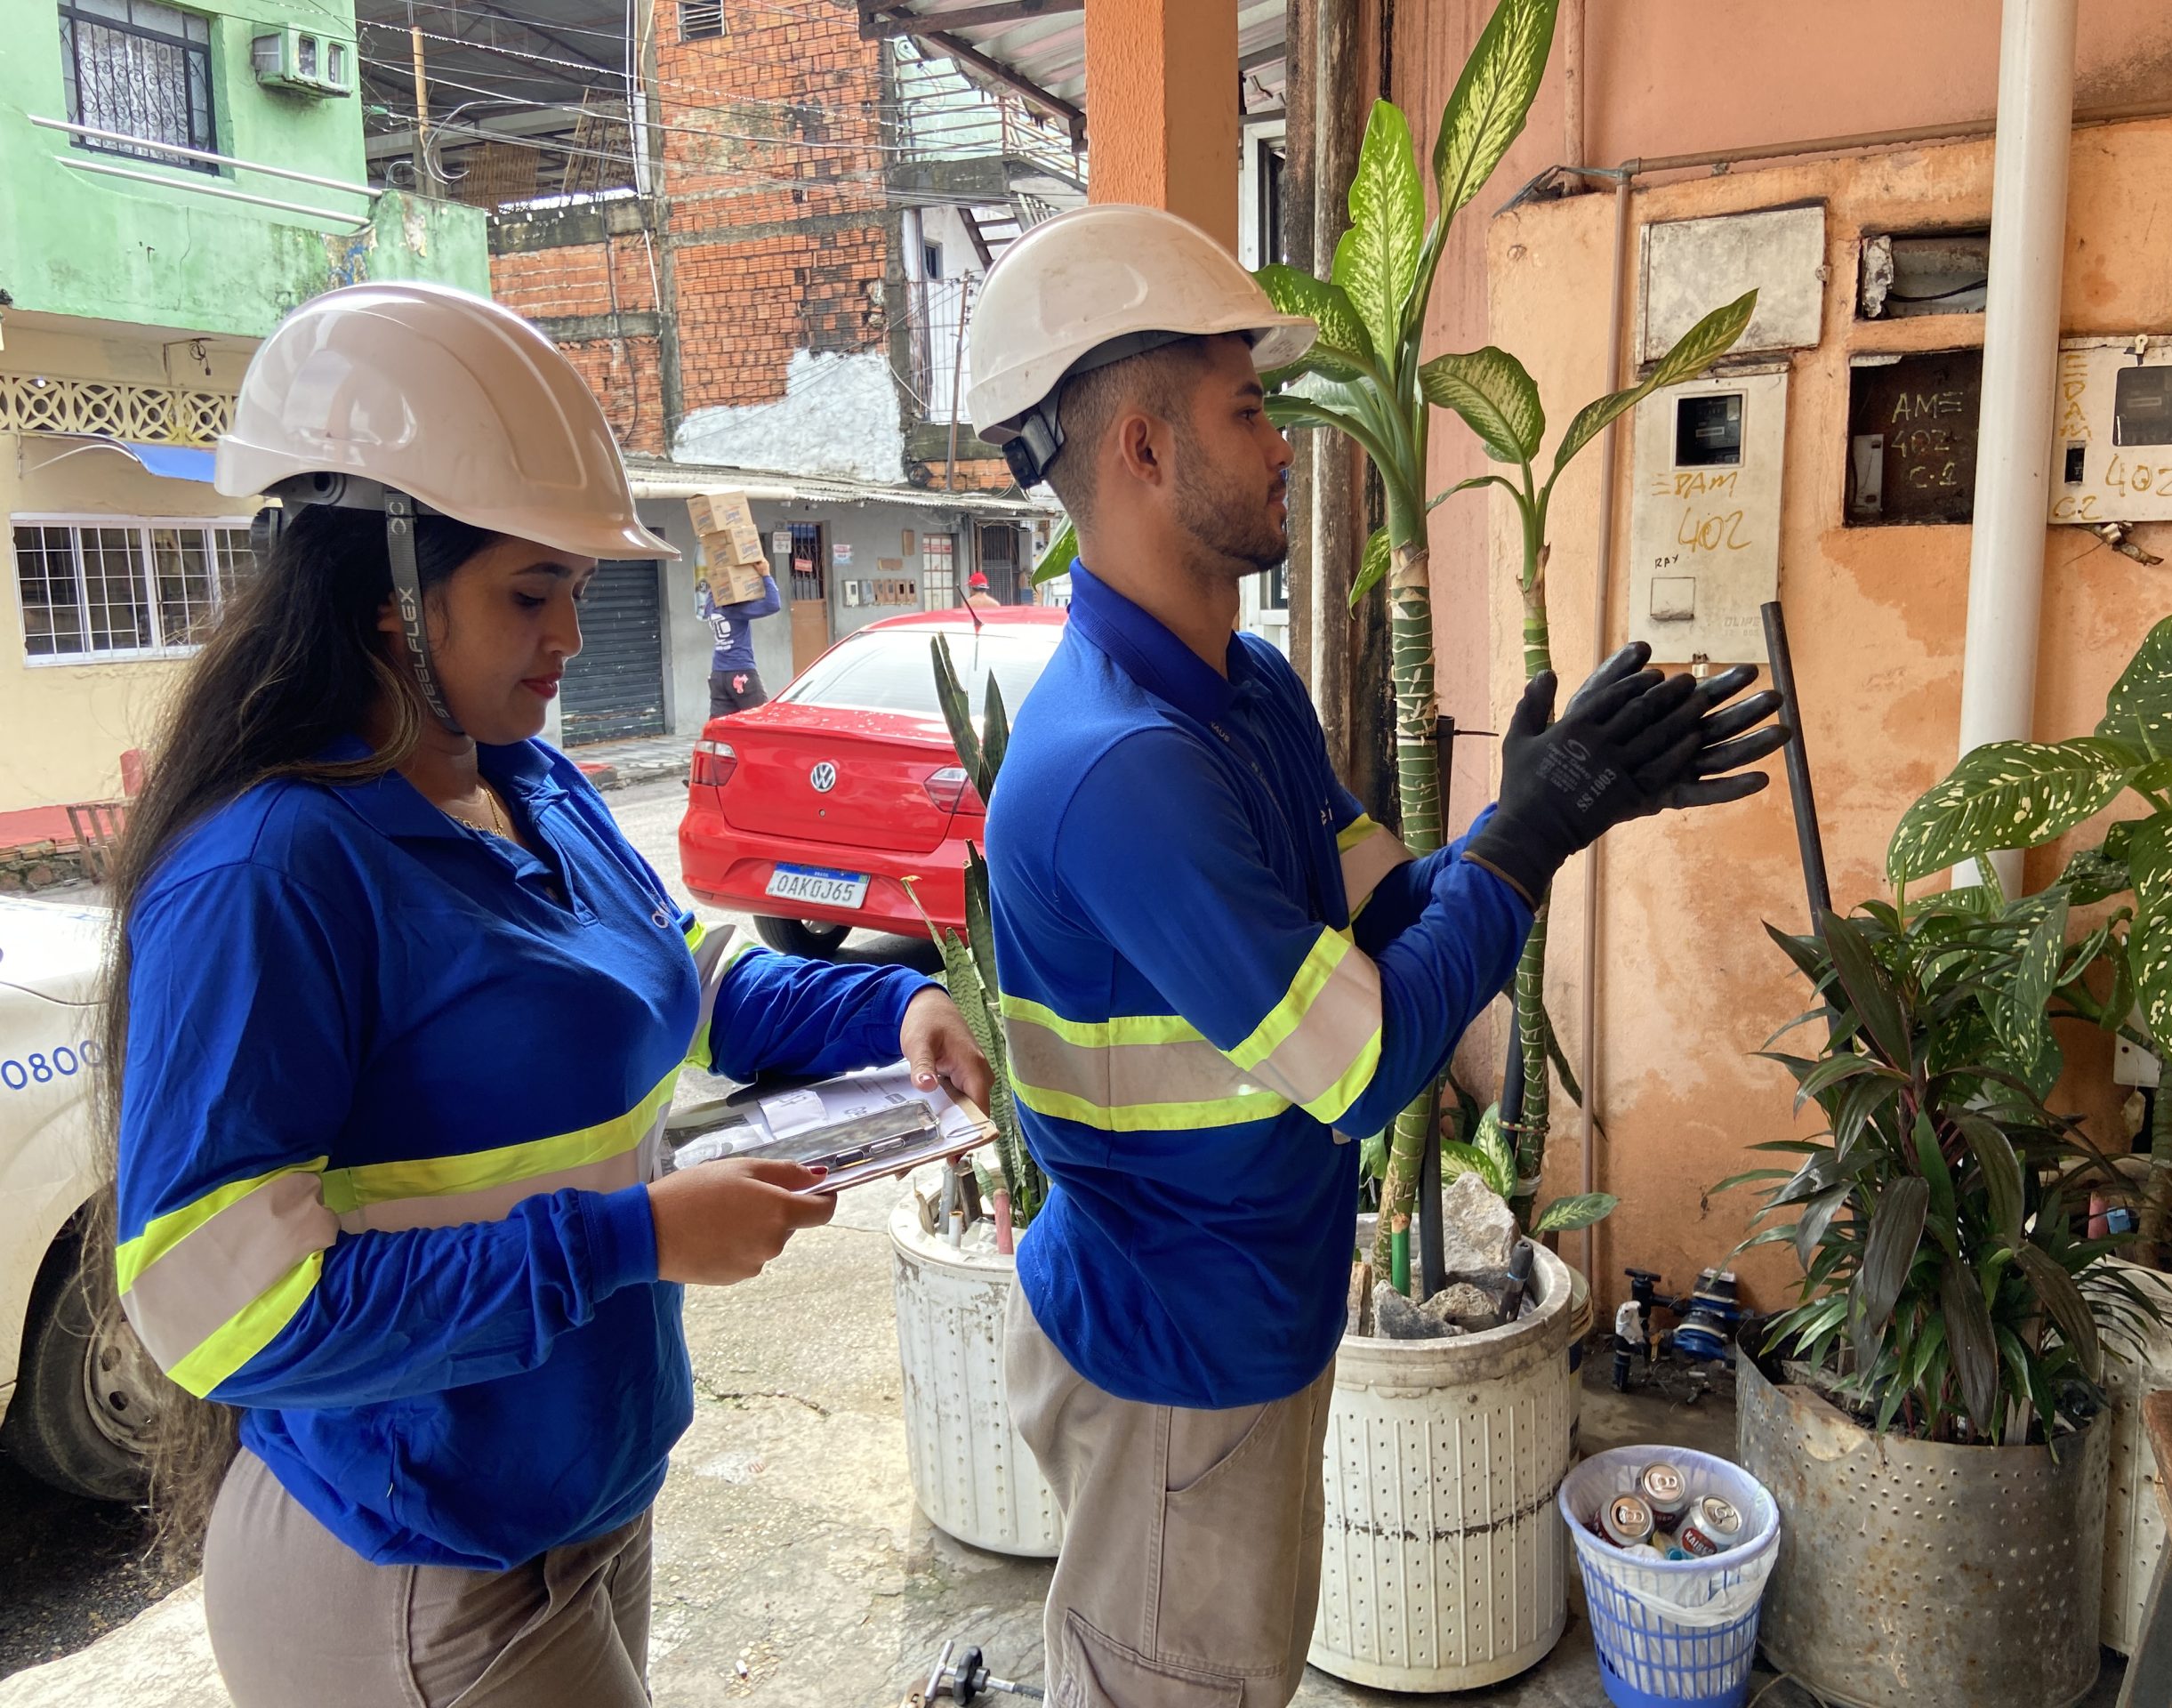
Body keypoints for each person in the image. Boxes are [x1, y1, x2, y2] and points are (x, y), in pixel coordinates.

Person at [101, 281, 990, 1708]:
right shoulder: (273, 870)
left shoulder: (529, 783)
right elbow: (218, 1312)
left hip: (579, 1499)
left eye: (579, 589)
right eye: (532, 591)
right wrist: (626, 1242)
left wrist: (890, 1017)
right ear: (388, 585)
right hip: (415, 1558)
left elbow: (681, 987)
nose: (572, 637)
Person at [966, 205, 1791, 1707]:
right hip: (1172, 1369)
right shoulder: (1120, 768)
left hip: (1243, 1330)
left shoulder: (1245, 688)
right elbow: (1361, 1067)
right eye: (1248, 407)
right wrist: (1529, 841)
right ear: (1144, 450)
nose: (1285, 440)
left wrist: (1535, 812)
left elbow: (1390, 919)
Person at [701, 568, 781, 715]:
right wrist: (765, 574)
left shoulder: (711, 606)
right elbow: (773, 605)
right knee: (761, 719)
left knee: (720, 728)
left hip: (718, 675)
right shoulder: (737, 610)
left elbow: (716, 589)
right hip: (741, 672)